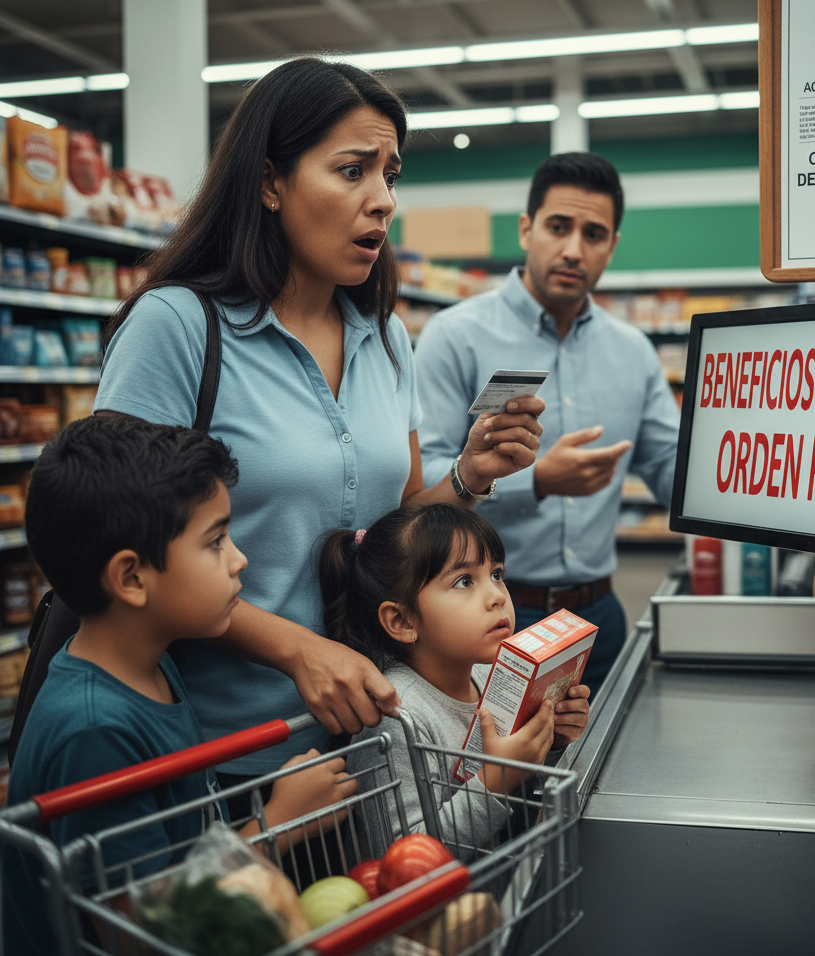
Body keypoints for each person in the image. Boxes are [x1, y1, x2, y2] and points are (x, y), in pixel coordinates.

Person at [95, 57, 544, 778]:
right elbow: (119, 547)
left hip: (375, 746)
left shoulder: (387, 337)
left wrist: (468, 476)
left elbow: (397, 529)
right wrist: (297, 650)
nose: (383, 200)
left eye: (390, 175)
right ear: (270, 181)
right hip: (227, 751)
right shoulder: (176, 327)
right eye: (352, 171)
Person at [3, 414, 355, 956]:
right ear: (132, 578)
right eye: (215, 541)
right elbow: (139, 933)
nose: (239, 559)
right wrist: (277, 824)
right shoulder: (94, 731)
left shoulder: (150, 664)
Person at [414, 152, 680, 693]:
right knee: (494, 754)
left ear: (612, 246)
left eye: (594, 234)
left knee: (602, 748)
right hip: (490, 618)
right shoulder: (454, 335)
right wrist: (536, 480)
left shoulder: (633, 351)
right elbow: (421, 488)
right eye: (559, 227)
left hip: (598, 618)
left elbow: (672, 468)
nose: (574, 249)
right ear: (526, 229)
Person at [319, 504, 590, 852]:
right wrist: (496, 779)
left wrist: (550, 740)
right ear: (402, 622)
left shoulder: (493, 676)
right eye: (464, 581)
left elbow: (524, 794)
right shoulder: (395, 718)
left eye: (496, 574)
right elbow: (405, 854)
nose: (497, 596)